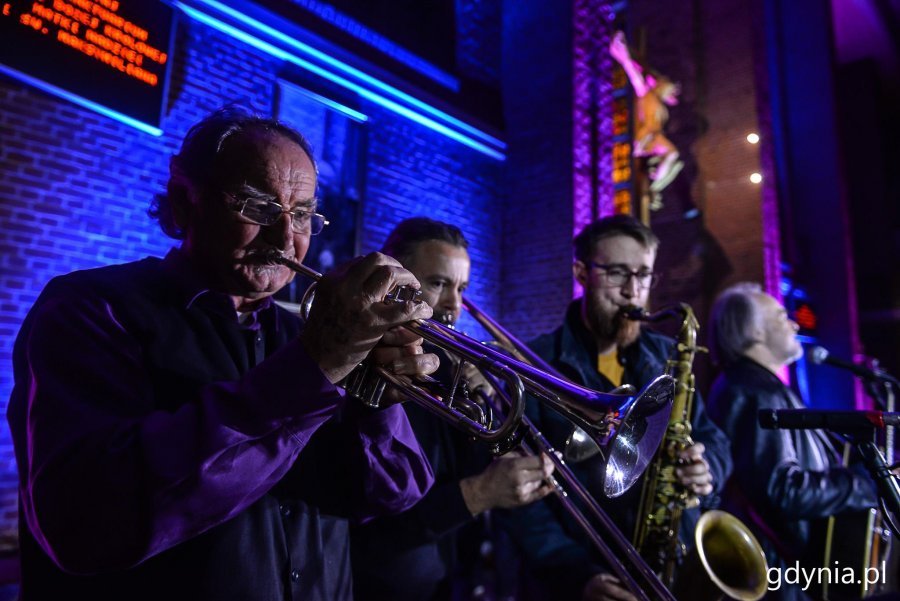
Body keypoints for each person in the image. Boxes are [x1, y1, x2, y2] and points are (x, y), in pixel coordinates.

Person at [7, 107, 438, 601]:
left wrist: (374, 404)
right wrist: (312, 368)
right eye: (257, 207)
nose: (286, 238)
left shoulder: (304, 333)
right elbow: (87, 524)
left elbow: (392, 492)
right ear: (185, 201)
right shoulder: (92, 308)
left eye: (301, 214)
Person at [500, 214, 732, 601]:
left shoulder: (666, 356)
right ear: (581, 272)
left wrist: (709, 469)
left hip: (667, 564)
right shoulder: (536, 363)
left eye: (643, 275)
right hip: (584, 575)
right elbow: (519, 499)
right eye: (618, 273)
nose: (632, 291)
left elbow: (711, 436)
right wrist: (576, 574)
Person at [351, 217, 555, 601]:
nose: (454, 305)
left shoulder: (451, 371)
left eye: (461, 288)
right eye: (438, 284)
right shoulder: (364, 375)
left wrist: (493, 404)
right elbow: (367, 529)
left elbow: (474, 475)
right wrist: (479, 493)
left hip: (458, 582)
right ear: (393, 280)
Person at [706, 283, 880, 601]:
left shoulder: (759, 387)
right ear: (755, 331)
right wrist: (866, 485)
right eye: (782, 315)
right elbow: (781, 490)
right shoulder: (754, 392)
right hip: (784, 580)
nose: (795, 324)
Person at [610, 31, 684, 206]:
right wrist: (621, 52)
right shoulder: (645, 92)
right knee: (672, 155)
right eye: (668, 85)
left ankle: (655, 186)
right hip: (647, 136)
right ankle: (653, 185)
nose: (670, 91)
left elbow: (670, 98)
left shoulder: (661, 105)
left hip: (655, 136)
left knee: (674, 158)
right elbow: (633, 71)